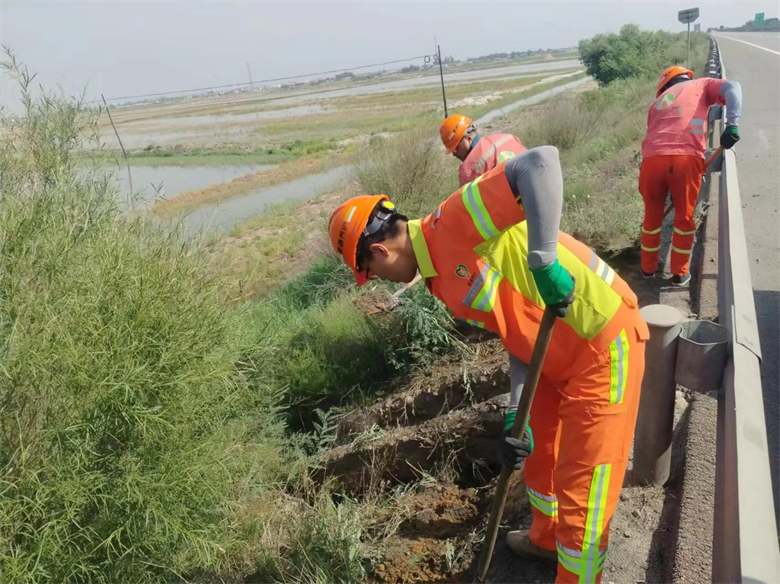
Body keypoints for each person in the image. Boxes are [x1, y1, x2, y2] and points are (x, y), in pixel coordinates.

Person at [328, 147, 648, 584]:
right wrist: (518, 408)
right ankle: (545, 540)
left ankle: (576, 572)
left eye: (371, 272)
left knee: (584, 495)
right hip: (551, 358)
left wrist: (544, 258)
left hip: (600, 343)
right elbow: (515, 330)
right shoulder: (438, 276)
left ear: (380, 252)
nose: (379, 281)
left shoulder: (455, 220)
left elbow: (541, 163)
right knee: (537, 458)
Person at [639, 65, 743, 286]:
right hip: (686, 159)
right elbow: (733, 88)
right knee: (683, 218)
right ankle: (679, 273)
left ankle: (647, 270)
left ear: (664, 85)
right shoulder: (702, 84)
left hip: (651, 161)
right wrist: (732, 125)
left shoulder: (655, 103)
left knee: (651, 218)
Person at [439, 113, 526, 186]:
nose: (454, 153)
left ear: (468, 138)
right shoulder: (509, 138)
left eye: (456, 147)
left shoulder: (468, 172)